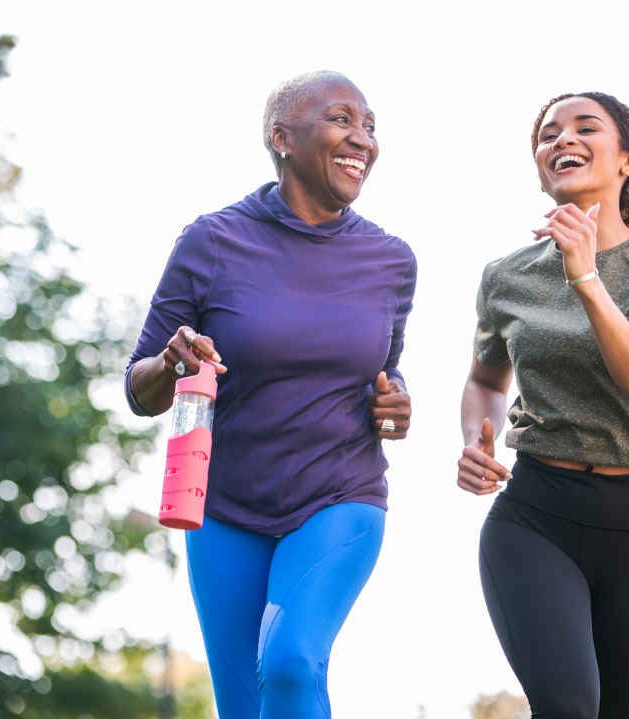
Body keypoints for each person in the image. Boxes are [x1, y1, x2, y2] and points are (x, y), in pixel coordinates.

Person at [125, 71, 416, 719]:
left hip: (339, 497)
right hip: (223, 508)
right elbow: (138, 388)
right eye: (343, 120)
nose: (362, 139)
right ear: (282, 138)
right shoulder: (212, 241)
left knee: (290, 660)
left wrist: (396, 405)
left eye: (371, 126)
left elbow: (380, 377)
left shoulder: (390, 260)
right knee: (242, 704)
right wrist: (171, 362)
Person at [457, 92, 629, 718]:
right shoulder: (506, 276)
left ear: (628, 159)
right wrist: (475, 438)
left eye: (584, 127)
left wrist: (586, 277)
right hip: (535, 517)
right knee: (569, 708)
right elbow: (485, 380)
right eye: (548, 134)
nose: (561, 139)